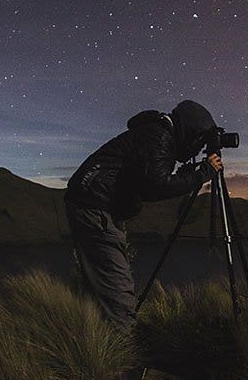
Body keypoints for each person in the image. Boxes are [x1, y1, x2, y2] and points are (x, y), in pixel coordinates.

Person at [64, 100, 223, 331]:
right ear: (191, 133)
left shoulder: (154, 134)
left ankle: (95, 337)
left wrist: (188, 175)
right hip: (96, 208)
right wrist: (202, 174)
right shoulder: (159, 137)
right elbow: (156, 186)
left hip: (92, 204)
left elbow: (146, 181)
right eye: (199, 142)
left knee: (101, 286)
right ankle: (123, 353)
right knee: (118, 290)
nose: (197, 150)